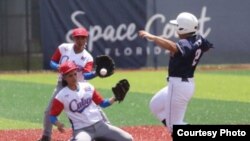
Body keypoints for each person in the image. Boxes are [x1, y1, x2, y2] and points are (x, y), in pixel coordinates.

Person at [138, 12, 213, 134]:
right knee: (155, 105)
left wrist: (154, 37)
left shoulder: (184, 43)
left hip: (178, 85)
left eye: (177, 25)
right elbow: (207, 47)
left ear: (182, 28)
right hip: (184, 84)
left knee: (174, 126)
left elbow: (173, 47)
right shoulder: (200, 39)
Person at [38, 27, 110, 141]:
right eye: (78, 38)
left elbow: (86, 75)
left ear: (86, 39)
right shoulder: (64, 48)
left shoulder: (87, 57)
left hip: (80, 87)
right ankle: (46, 136)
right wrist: (58, 67)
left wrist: (96, 74)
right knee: (49, 111)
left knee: (95, 108)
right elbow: (52, 61)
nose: (80, 40)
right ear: (73, 38)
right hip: (62, 85)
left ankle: (107, 128)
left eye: (83, 38)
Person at [49, 61, 133, 141]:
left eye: (75, 74)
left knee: (128, 139)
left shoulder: (87, 87)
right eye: (70, 76)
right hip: (82, 130)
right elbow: (52, 116)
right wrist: (58, 124)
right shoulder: (61, 96)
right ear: (64, 77)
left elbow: (103, 103)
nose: (74, 77)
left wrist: (115, 98)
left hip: (100, 125)